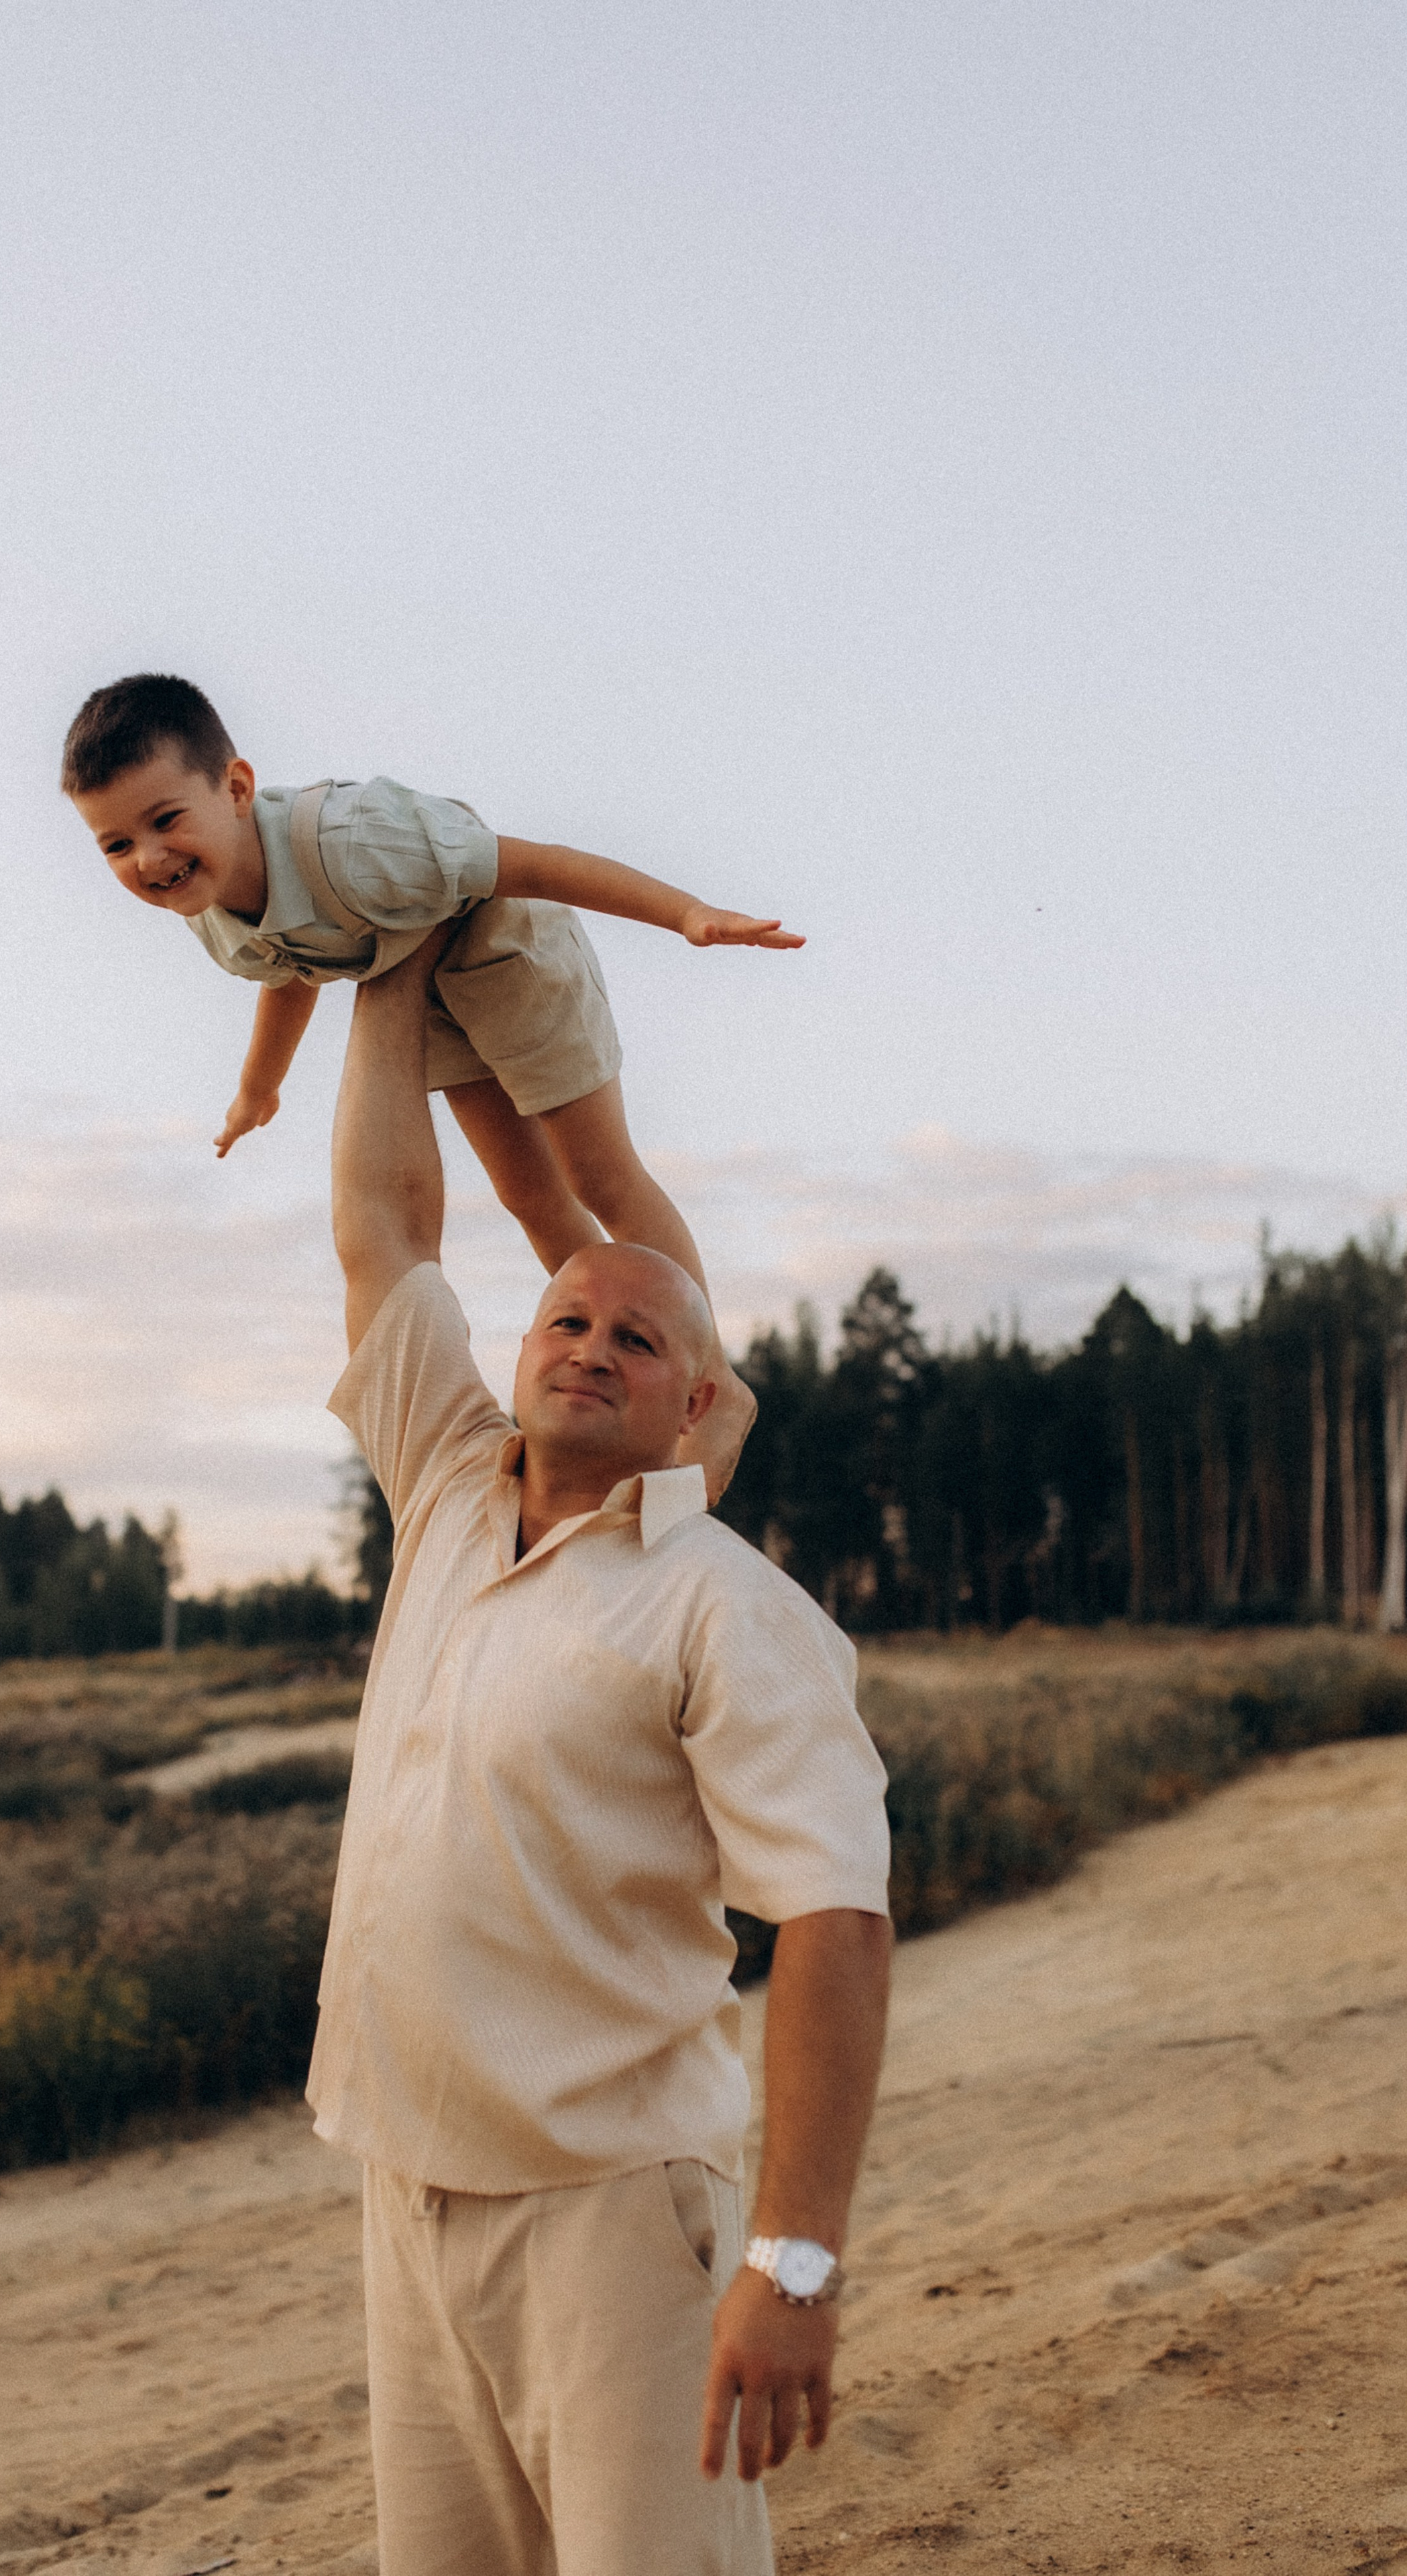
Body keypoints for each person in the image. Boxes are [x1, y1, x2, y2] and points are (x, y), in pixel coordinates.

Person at [313, 927, 894, 2576]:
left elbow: (834, 1920)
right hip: (404, 2189)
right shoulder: (440, 1488)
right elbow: (382, 1225)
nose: (586, 1343)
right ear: (515, 1351)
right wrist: (379, 968)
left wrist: (790, 2259)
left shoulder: (723, 1606)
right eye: (564, 1314)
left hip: (611, 2221)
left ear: (695, 1401)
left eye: (634, 1340)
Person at [60, 670, 801, 1494]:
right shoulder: (211, 914)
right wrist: (257, 1089)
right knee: (528, 1194)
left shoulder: (359, 843)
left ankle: (713, 1383)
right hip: (433, 985)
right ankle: (633, 1370)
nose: (150, 858)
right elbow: (294, 966)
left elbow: (536, 865)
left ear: (236, 788)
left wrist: (684, 915)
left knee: (600, 1174)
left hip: (508, 945)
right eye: (117, 845)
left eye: (166, 821)